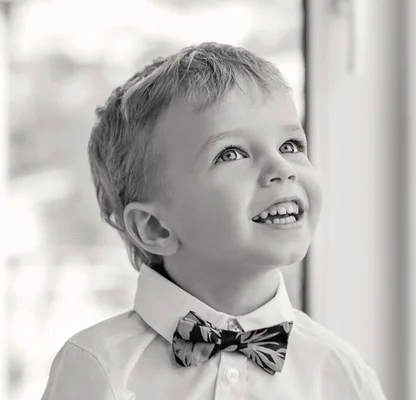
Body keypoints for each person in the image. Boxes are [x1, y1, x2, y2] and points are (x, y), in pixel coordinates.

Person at [41, 42, 387, 400]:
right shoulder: (97, 368)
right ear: (155, 227)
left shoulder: (343, 376)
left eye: (290, 145)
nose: (281, 169)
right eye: (231, 153)